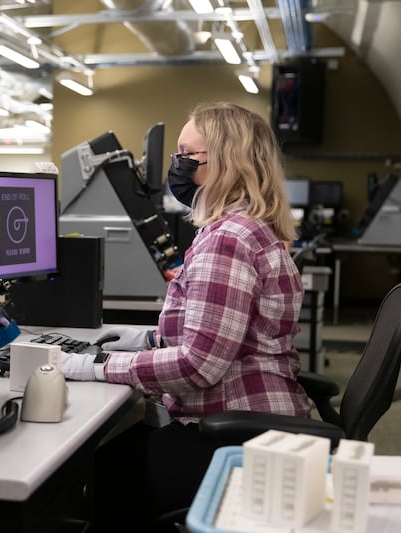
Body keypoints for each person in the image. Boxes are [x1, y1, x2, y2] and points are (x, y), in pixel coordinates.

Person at [58, 101, 310, 530]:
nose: (177, 167)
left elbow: (199, 365)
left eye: (187, 156)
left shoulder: (228, 240)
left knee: (88, 481)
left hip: (239, 436)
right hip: (251, 422)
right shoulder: (243, 228)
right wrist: (141, 340)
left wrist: (93, 366)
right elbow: (219, 336)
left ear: (226, 162)